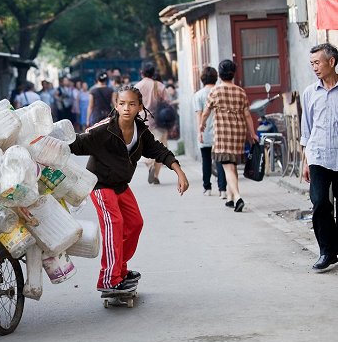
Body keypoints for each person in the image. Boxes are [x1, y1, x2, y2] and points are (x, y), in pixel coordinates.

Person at [69, 85, 189, 294]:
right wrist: (45, 143)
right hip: (99, 184)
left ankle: (120, 270)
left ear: (140, 107)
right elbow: (76, 143)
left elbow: (159, 150)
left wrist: (179, 171)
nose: (126, 108)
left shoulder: (141, 132)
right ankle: (109, 278)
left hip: (120, 185)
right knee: (114, 224)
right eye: (122, 104)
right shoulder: (103, 130)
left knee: (135, 224)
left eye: (132, 104)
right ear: (116, 105)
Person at [200, 59, 258, 213]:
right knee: (231, 165)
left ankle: (238, 197)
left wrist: (202, 124)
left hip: (222, 133)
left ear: (220, 74)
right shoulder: (241, 91)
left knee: (227, 167)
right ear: (233, 73)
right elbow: (247, 115)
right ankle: (231, 199)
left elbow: (206, 111)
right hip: (238, 133)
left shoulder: (215, 91)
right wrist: (252, 134)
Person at [301, 43, 338, 272]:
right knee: (320, 204)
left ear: (331, 62)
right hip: (318, 156)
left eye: (317, 62)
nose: (314, 67)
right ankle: (326, 252)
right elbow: (307, 129)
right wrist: (305, 161)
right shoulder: (309, 93)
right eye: (312, 63)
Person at [194, 67, 227, 198]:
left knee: (206, 160)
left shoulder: (199, 95)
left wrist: (199, 132)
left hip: (205, 132)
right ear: (216, 77)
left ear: (202, 79)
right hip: (220, 131)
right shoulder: (220, 91)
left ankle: (207, 188)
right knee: (220, 161)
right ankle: (222, 189)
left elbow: (199, 115)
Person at [134, 63, 169, 185]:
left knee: (144, 147)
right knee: (160, 149)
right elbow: (167, 104)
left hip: (142, 122)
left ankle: (150, 165)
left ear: (142, 73)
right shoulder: (159, 86)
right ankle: (155, 175)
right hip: (160, 122)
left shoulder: (136, 87)